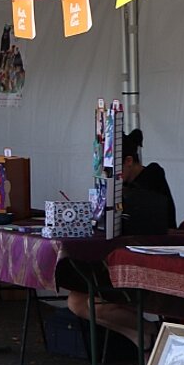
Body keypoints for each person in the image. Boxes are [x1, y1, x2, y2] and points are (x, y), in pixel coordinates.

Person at [67, 129, 177, 349]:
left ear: (128, 161)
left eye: (113, 169)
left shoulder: (150, 181)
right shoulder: (122, 186)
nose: (109, 175)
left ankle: (152, 334)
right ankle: (142, 337)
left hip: (146, 261)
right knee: (76, 302)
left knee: (97, 303)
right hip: (120, 257)